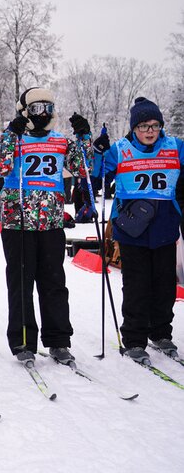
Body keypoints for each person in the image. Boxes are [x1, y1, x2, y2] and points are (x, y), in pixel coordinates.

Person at [0, 87, 92, 365]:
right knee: (21, 283)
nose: (42, 113)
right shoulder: (12, 139)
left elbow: (84, 169)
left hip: (51, 222)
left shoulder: (60, 142)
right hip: (17, 222)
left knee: (54, 283)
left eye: (47, 107)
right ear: (24, 111)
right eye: (35, 108)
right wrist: (11, 133)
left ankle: (58, 341)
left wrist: (84, 138)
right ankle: (23, 341)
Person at [96, 97, 184, 364]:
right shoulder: (120, 150)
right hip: (132, 230)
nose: (149, 131)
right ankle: (134, 339)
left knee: (165, 284)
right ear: (134, 128)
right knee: (136, 285)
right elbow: (96, 174)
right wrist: (98, 152)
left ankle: (160, 333)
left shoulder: (175, 147)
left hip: (166, 228)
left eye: (155, 125)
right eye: (144, 125)